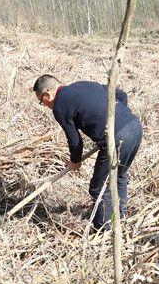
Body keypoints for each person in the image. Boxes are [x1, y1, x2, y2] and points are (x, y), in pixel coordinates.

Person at [32, 75, 143, 231]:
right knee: (119, 174)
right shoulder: (85, 84)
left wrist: (75, 160)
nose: (44, 105)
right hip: (135, 125)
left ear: (46, 94)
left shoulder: (59, 106)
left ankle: (105, 229)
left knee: (98, 188)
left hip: (117, 138)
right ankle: (119, 217)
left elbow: (74, 140)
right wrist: (120, 118)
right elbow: (121, 95)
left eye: (41, 101)